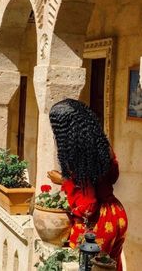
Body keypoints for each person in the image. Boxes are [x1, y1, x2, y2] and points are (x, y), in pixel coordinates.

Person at [48, 98, 128, 271]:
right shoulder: (101, 144)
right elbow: (113, 176)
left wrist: (64, 181)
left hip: (97, 224)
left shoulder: (77, 155)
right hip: (116, 215)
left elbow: (88, 206)